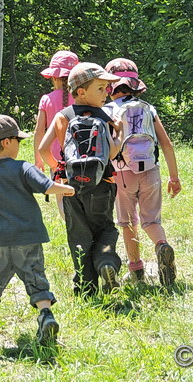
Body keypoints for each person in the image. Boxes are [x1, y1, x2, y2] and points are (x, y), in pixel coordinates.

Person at [0, 114, 76, 345]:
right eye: (18, 141)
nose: (19, 145)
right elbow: (47, 186)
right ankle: (45, 315)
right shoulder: (22, 168)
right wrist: (68, 189)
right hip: (28, 239)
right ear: (6, 142)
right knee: (36, 280)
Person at [37, 62, 123, 298]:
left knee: (78, 234)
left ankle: (85, 287)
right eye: (101, 88)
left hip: (70, 188)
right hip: (102, 185)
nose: (106, 93)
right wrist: (121, 133)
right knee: (105, 227)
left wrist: (60, 169)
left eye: (107, 88)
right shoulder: (104, 117)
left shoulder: (62, 116)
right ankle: (106, 261)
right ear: (81, 91)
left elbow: (44, 149)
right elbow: (113, 153)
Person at [103, 58, 181, 286]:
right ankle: (162, 245)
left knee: (127, 223)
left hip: (122, 174)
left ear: (110, 87)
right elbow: (166, 143)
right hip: (151, 170)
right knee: (151, 220)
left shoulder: (108, 111)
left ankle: (136, 270)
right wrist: (174, 177)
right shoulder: (149, 108)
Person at [33, 50, 78, 171]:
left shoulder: (46, 99)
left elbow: (39, 131)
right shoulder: (80, 98)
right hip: (78, 155)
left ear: (53, 77)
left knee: (58, 188)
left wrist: (38, 159)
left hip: (53, 159)